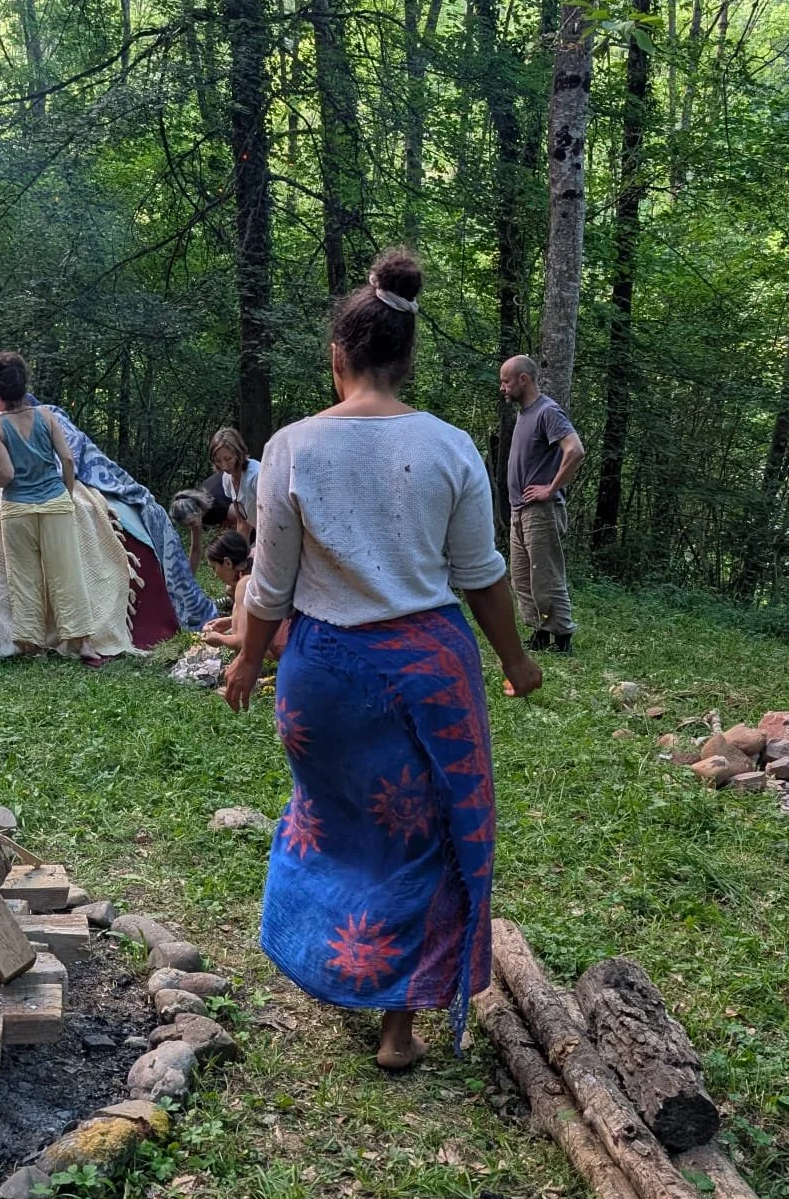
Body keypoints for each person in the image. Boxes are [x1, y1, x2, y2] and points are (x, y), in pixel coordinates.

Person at [226, 251, 541, 1074]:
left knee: (329, 823)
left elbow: (269, 585)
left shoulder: (291, 446)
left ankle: (335, 968)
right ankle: (397, 1028)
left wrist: (244, 667)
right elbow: (482, 575)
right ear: (406, 360)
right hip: (426, 672)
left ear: (338, 357)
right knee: (421, 841)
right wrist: (518, 661)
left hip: (322, 677)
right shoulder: (450, 446)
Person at [0, 352, 104, 669]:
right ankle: (83, 644)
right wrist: (68, 493)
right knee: (68, 573)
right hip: (55, 503)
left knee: (24, 577)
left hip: (18, 509)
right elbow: (69, 461)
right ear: (24, 384)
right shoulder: (47, 416)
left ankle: (32, 644)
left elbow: (6, 474)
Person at [499, 353, 584, 652]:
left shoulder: (548, 411)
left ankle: (562, 639)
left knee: (545, 574)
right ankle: (539, 633)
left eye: (506, 381)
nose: (503, 388)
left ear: (524, 379)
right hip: (519, 510)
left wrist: (550, 488)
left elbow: (575, 450)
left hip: (541, 511)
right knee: (523, 577)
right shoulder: (525, 413)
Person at [210, 426, 260, 536]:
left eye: (228, 459)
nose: (224, 466)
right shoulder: (227, 479)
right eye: (218, 461)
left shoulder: (257, 476)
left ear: (238, 454)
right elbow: (242, 522)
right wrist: (239, 551)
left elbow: (272, 521)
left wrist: (257, 549)